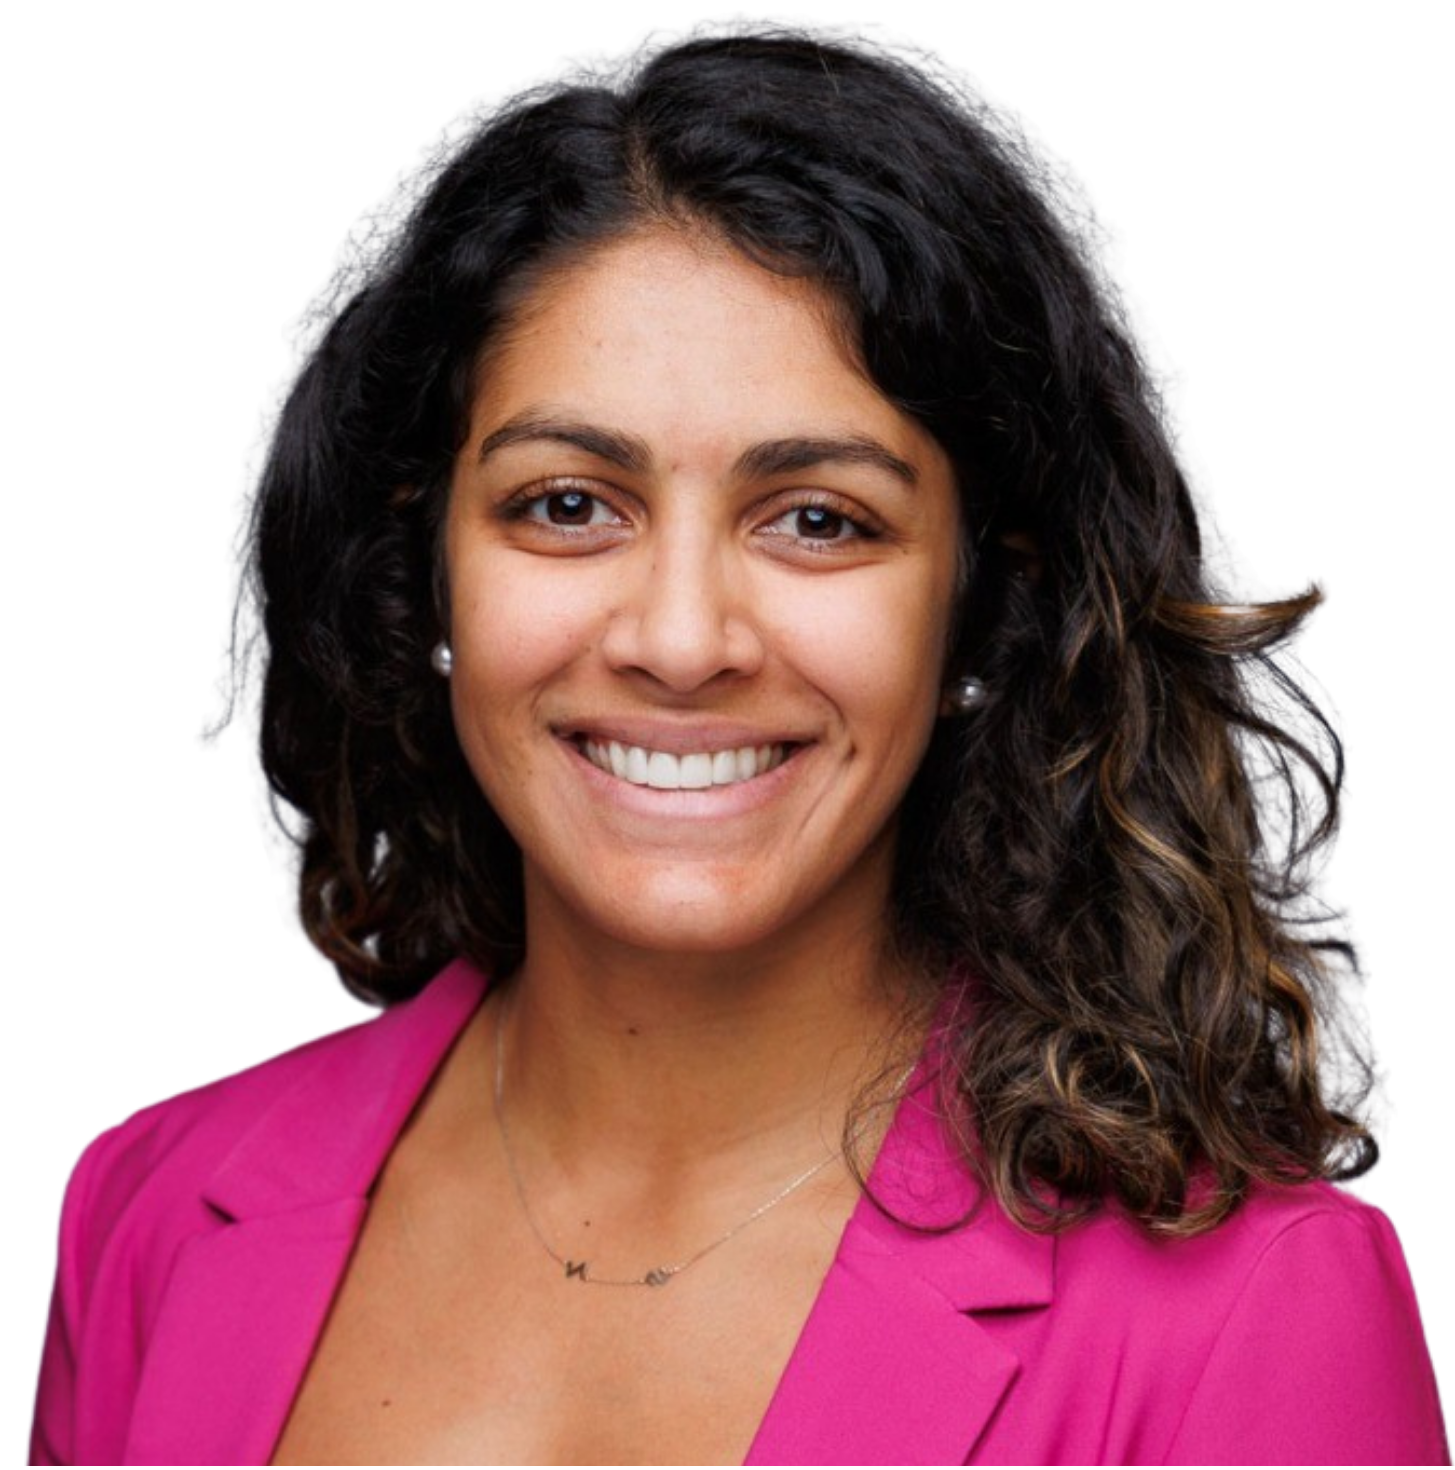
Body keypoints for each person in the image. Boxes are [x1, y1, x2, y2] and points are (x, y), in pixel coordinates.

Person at [30, 31, 1447, 1466]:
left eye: (817, 518)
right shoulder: (151, 1211)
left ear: (980, 604)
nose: (682, 636)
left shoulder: (1252, 1309)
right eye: (568, 504)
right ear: (424, 565)